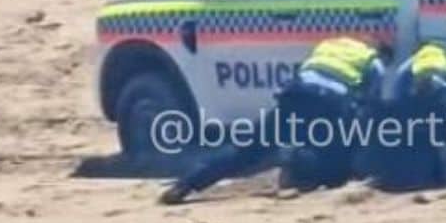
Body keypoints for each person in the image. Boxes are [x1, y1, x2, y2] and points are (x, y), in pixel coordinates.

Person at [159, 36, 389, 205]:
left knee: (246, 151)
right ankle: (297, 167)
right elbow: (370, 106)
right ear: (379, 50)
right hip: (329, 103)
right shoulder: (374, 62)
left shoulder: (329, 46)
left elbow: (306, 72)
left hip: (295, 95)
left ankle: (186, 184)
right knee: (337, 158)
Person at [366, 42, 446, 191]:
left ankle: (412, 178)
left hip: (422, 96)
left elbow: (398, 93)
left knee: (415, 139)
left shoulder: (413, 62)